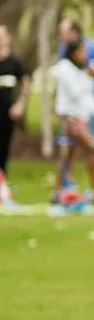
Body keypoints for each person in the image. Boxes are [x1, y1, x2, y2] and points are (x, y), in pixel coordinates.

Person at [54, 19, 94, 202]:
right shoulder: (65, 69)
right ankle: (93, 189)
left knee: (70, 154)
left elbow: (89, 95)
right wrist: (87, 76)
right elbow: (77, 93)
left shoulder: (83, 69)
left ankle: (65, 189)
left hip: (82, 117)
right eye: (82, 52)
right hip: (71, 119)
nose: (86, 55)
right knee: (93, 148)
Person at [0, 25, 27, 207]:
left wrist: (20, 104)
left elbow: (25, 82)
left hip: (7, 113)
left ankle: (2, 185)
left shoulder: (14, 62)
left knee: (4, 148)